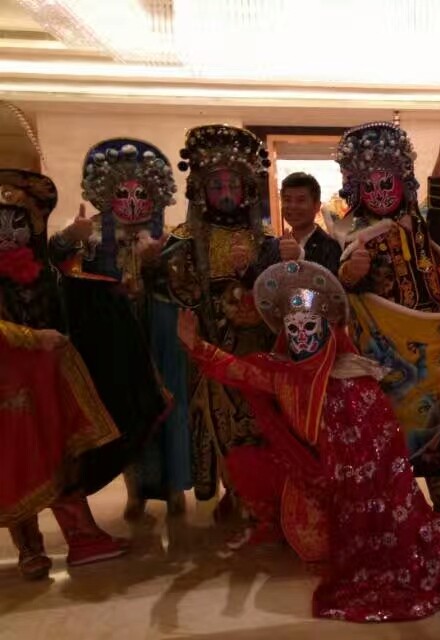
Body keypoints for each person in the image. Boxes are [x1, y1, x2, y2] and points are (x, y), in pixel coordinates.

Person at [176, 260, 440, 622]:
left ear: (327, 330)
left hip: (352, 491)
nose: (301, 336)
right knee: (249, 467)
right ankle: (280, 523)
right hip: (308, 475)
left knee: (326, 548)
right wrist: (196, 345)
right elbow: (239, 371)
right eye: (293, 328)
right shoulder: (282, 372)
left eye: (309, 326)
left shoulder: (352, 379)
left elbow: (382, 456)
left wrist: (342, 483)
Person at [50, 138, 190, 519]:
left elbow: (185, 287)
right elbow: (53, 268)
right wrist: (68, 238)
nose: (131, 200)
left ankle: (174, 487)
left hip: (161, 331)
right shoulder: (90, 233)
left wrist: (156, 264)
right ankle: (136, 489)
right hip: (112, 337)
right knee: (125, 409)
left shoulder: (169, 235)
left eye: (140, 193)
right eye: (121, 192)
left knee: (170, 405)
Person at [143, 124, 276, 519]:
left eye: (232, 185)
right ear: (201, 189)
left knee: (258, 421)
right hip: (207, 346)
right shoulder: (184, 238)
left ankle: (257, 491)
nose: (225, 193)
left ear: (246, 188)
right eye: (216, 186)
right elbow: (170, 293)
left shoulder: (266, 238)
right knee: (215, 421)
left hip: (258, 349)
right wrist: (154, 264)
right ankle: (231, 489)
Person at [0, 168, 128, 576]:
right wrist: (32, 338)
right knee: (18, 459)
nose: (8, 233)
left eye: (17, 222)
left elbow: (58, 255)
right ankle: (30, 549)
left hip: (51, 374)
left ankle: (83, 537)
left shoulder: (40, 264)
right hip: (8, 383)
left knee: (62, 450)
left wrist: (74, 234)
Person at [335, 124, 440, 513]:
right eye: (371, 187)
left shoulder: (420, 222)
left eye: (387, 184)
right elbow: (343, 286)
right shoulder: (354, 233)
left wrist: (436, 181)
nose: (380, 194)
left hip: (436, 344)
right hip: (387, 351)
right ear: (358, 190)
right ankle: (398, 504)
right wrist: (351, 274)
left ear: (403, 182)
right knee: (391, 427)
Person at [276, 171, 342, 273]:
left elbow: (330, 281)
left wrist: (300, 256)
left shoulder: (331, 247)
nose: (293, 206)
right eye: (287, 200)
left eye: (301, 200)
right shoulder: (273, 246)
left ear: (317, 206)